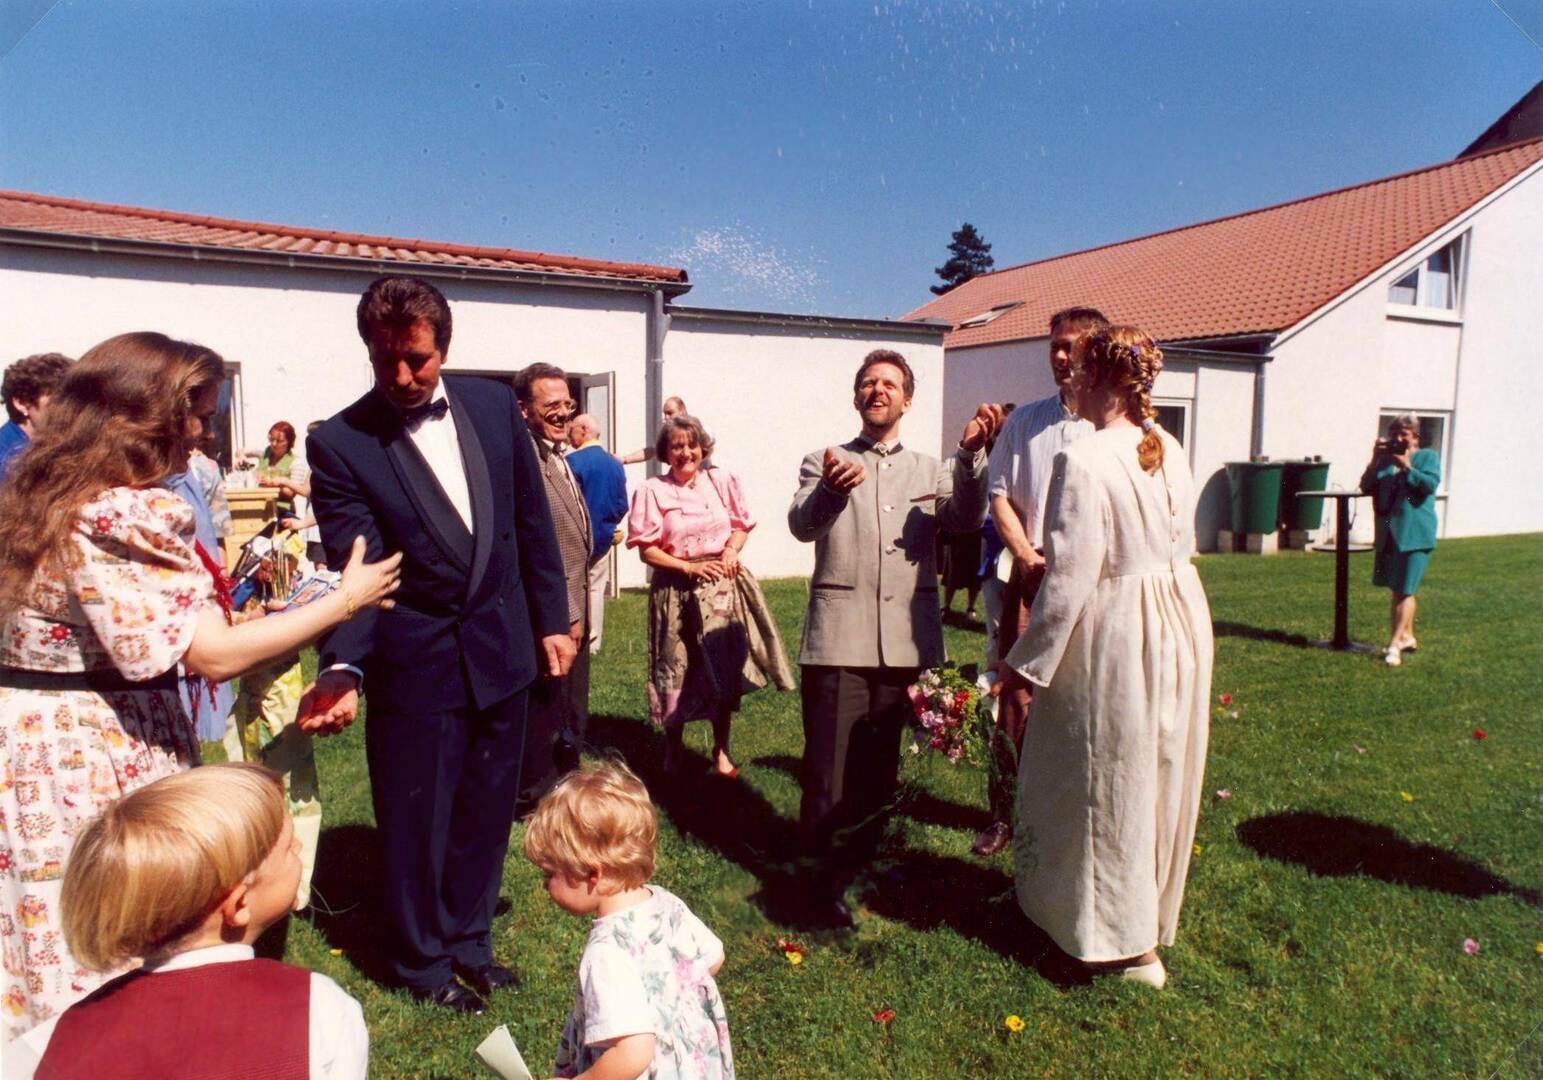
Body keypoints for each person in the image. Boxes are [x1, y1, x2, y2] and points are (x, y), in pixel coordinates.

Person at [0, 331, 400, 1037]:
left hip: (30, 744)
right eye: (198, 415)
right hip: (94, 749)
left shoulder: (42, 495)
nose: (205, 433)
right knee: (122, 927)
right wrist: (344, 600)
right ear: (143, 416)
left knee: (50, 930)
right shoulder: (119, 513)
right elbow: (211, 656)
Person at [299, 275, 574, 1014]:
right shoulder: (340, 442)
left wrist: (552, 618)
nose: (400, 376)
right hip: (416, 660)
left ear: (443, 349)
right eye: (384, 359)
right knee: (418, 823)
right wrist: (346, 665)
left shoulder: (492, 406)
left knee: (487, 812)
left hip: (503, 647)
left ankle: (469, 943)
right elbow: (360, 571)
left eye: (415, 359)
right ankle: (421, 964)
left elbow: (530, 522)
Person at [1002, 326, 1213, 990]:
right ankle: (1128, 923)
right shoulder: (1169, 446)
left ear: (1096, 379)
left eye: (1078, 371)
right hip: (1179, 619)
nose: (1069, 380)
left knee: (1102, 779)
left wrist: (1023, 662)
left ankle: (1121, 943)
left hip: (1117, 630)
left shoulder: (1085, 458)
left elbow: (1070, 579)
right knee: (1154, 771)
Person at [788, 349, 1002, 927]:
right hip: (839, 640)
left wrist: (971, 456)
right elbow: (802, 524)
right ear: (856, 396)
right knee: (828, 772)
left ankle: (863, 866)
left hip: (907, 643)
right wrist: (831, 491)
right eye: (868, 383)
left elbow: (963, 519)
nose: (877, 390)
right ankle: (819, 885)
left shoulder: (932, 468)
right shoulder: (823, 460)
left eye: (889, 383)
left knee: (879, 769)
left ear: (907, 400)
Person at [8, 764, 368, 1079]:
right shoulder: (321, 1011)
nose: (300, 849)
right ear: (238, 904)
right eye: (289, 847)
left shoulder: (47, 1045)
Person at [973, 306, 1108, 857]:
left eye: (1071, 344)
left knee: (1084, 695)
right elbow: (999, 496)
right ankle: (1003, 814)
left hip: (1095, 583)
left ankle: (1072, 817)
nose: (1060, 355)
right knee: (1015, 694)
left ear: (1096, 350)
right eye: (1054, 345)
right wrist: (1026, 556)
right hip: (1029, 576)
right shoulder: (1025, 422)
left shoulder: (1114, 428)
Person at [523, 761, 733, 1080]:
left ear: (591, 873)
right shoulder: (665, 902)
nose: (544, 885)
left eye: (549, 874)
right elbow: (714, 957)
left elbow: (632, 1054)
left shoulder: (606, 953)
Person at [627, 414, 794, 780]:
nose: (686, 453)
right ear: (665, 452)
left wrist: (731, 550)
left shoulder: (721, 481)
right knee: (675, 665)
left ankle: (722, 750)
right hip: (675, 590)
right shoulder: (652, 490)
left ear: (703, 448)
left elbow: (740, 526)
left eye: (692, 445)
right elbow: (647, 550)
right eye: (677, 446)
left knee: (720, 665)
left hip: (720, 589)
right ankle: (673, 749)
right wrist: (688, 568)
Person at [514, 362, 593, 810]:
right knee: (545, 705)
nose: (564, 413)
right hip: (553, 611)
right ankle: (536, 798)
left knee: (567, 703)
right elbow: (540, 549)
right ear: (524, 410)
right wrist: (567, 616)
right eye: (552, 406)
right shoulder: (527, 460)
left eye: (568, 403)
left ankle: (563, 784)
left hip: (574, 602)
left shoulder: (557, 454)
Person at [1359, 414, 1440, 667]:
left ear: (1415, 437)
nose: (1398, 438)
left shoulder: (1427, 457)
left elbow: (1429, 485)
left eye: (1404, 433)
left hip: (1415, 532)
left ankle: (1394, 645)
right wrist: (1375, 460)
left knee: (1405, 589)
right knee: (1397, 589)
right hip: (1389, 533)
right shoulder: (1384, 460)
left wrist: (1406, 466)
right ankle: (1407, 637)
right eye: (1394, 433)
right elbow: (1366, 486)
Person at [566, 412, 628, 654]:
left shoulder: (572, 463)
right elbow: (622, 504)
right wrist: (609, 526)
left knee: (573, 589)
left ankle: (576, 636)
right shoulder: (614, 464)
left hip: (576, 539)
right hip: (604, 537)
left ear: (583, 430)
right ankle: (594, 643)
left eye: (572, 429)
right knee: (595, 589)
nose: (569, 434)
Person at [0, 352, 72, 484]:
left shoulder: (43, 446)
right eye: (58, 401)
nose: (69, 410)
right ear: (21, 403)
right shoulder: (11, 462)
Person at [618, 396, 689, 465]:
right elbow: (652, 451)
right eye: (665, 414)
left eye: (670, 413)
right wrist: (624, 459)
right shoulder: (668, 434)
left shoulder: (692, 432)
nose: (666, 417)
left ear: (682, 412)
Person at [255, 421, 299, 519]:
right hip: (261, 508)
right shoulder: (266, 453)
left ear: (289, 442)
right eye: (271, 439)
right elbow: (243, 452)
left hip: (283, 512)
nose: (274, 444)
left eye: (279, 441)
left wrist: (271, 484)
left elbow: (291, 493)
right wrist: (241, 456)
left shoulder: (295, 462)